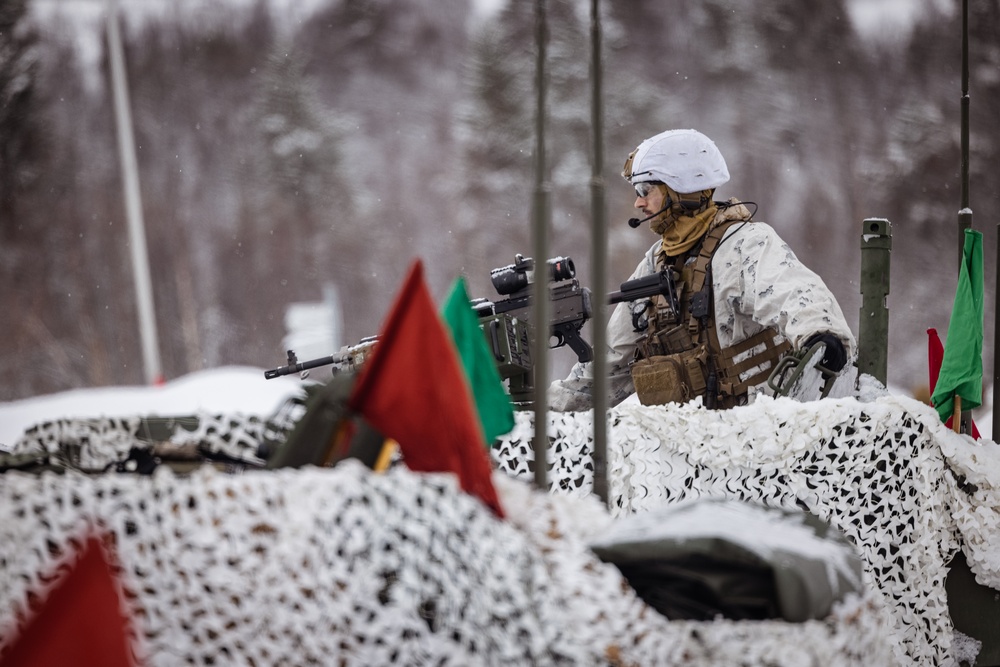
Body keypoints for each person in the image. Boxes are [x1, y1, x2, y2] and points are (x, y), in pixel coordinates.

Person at [550, 129, 856, 411]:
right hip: (690, 443)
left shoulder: (744, 245)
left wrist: (820, 334)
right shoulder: (658, 260)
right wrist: (541, 408)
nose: (638, 203)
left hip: (761, 433)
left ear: (680, 188)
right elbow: (610, 365)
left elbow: (796, 293)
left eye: (646, 189)